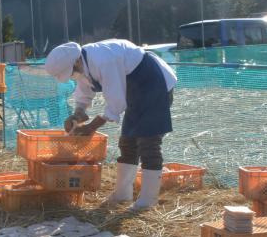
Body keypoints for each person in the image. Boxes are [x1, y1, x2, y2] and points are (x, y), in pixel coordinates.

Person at [43, 39, 177, 210]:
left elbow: (116, 103)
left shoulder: (104, 60)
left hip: (154, 84)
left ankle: (148, 200)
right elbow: (84, 92)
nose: (72, 75)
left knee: (148, 143)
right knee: (127, 142)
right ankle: (123, 194)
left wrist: (91, 127)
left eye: (71, 72)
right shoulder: (82, 64)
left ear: (76, 61)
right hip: (134, 91)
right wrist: (77, 114)